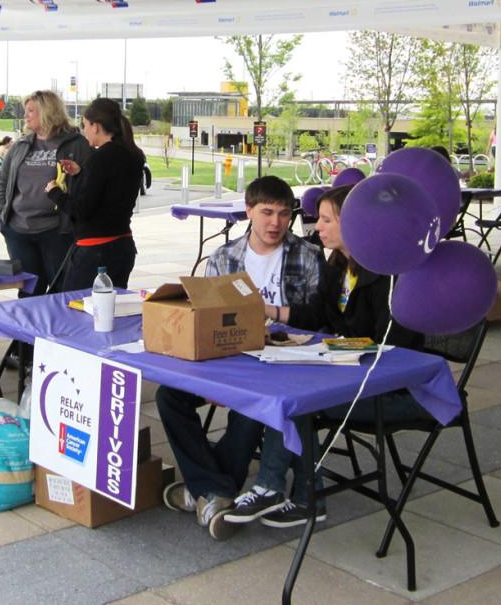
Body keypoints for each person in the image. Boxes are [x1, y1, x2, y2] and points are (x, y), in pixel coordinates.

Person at [225, 185, 424, 529]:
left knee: (296, 400)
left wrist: (330, 350)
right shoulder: (340, 265)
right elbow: (317, 314)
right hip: (350, 376)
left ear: (358, 224)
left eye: (327, 219)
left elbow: (388, 349)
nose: (317, 227)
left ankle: (288, 491)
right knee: (288, 389)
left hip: (395, 391)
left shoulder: (390, 278)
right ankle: (291, 492)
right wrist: (268, 310)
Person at [155, 176, 325, 540]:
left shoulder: (307, 256)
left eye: (283, 214)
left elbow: (318, 321)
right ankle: (215, 490)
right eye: (266, 212)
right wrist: (212, 378)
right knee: (168, 395)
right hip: (227, 358)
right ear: (248, 211)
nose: (275, 223)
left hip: (281, 361)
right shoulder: (224, 257)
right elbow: (204, 319)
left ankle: (207, 491)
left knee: (251, 407)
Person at [0, 91, 90, 297]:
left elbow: (89, 183)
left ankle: (58, 329)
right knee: (29, 291)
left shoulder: (76, 144)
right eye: (25, 111)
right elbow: (3, 181)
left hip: (57, 231)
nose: (26, 116)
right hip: (18, 231)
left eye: (31, 111)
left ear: (48, 112)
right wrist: (5, 214)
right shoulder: (21, 144)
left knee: (62, 290)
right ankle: (30, 330)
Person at [48, 98, 145, 291]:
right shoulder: (133, 155)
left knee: (75, 309)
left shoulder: (99, 159)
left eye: (85, 125)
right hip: (122, 245)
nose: (83, 131)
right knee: (111, 311)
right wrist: (82, 173)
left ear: (96, 126)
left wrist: (55, 192)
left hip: (95, 250)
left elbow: (81, 209)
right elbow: (111, 190)